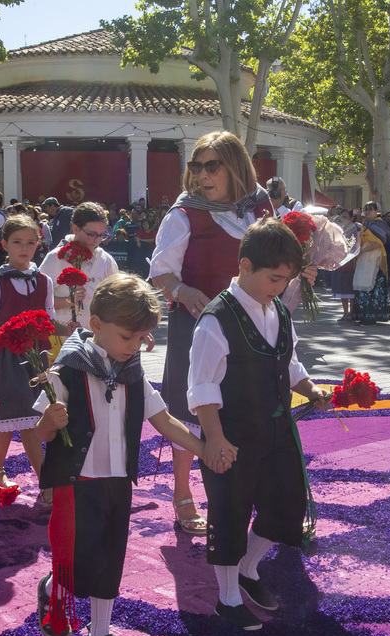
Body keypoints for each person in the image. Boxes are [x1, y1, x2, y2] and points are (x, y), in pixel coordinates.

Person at [34, 274, 206, 636]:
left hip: (117, 482)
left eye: (142, 338)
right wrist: (50, 421)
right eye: (128, 337)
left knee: (110, 557)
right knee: (74, 556)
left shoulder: (133, 373)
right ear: (96, 325)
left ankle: (101, 635)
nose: (135, 347)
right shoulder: (66, 371)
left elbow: (163, 419)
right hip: (77, 484)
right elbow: (42, 430)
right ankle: (54, 588)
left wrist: (203, 449)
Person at [187, 217, 331, 630]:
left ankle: (249, 568)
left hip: (277, 431)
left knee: (287, 505)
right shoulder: (216, 320)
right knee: (230, 513)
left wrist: (310, 389)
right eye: (274, 278)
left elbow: (288, 362)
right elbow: (202, 388)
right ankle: (228, 599)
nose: (281, 287)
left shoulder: (278, 312)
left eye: (286, 279)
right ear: (245, 266)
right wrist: (214, 440)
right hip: (230, 435)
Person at [148, 130, 273, 536]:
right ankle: (183, 492)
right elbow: (159, 275)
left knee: (242, 408)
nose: (202, 175)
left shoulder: (261, 208)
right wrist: (183, 291)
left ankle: (239, 491)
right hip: (197, 326)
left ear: (235, 167)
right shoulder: (184, 215)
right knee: (194, 410)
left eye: (212, 166)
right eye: (195, 166)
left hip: (251, 327)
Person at [0, 214, 62, 491]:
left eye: (31, 242)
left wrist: (75, 328)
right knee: (27, 419)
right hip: (7, 361)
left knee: (12, 419)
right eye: (17, 242)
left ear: (38, 244)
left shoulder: (44, 280)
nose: (24, 248)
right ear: (4, 244)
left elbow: (50, 321)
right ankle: (47, 483)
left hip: (38, 359)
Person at [38, 202, 121, 331]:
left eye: (102, 235)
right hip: (63, 336)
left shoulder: (105, 260)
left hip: (94, 337)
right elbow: (38, 299)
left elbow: (117, 299)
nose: (97, 240)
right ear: (76, 229)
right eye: (92, 234)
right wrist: (68, 300)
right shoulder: (56, 258)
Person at [350, 202, 390, 324]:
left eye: (370, 210)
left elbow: (379, 243)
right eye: (365, 210)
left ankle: (371, 316)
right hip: (363, 257)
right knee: (360, 283)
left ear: (376, 211)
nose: (367, 212)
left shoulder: (380, 224)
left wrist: (363, 250)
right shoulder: (364, 224)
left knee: (373, 285)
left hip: (374, 258)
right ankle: (361, 314)